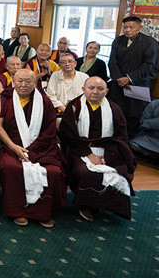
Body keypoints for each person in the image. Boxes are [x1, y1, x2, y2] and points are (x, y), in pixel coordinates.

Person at [0, 69, 65, 227]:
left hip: (42, 148)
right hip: (12, 147)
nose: (23, 85)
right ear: (13, 81)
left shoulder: (45, 101)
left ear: (35, 83)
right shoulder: (3, 98)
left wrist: (31, 151)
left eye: (28, 81)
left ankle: (42, 212)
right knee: (10, 167)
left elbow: (49, 131)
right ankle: (18, 211)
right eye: (20, 81)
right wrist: (14, 147)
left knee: (53, 171)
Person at [58, 77, 136, 221]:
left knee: (119, 171)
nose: (95, 92)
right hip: (80, 149)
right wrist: (88, 154)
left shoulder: (114, 109)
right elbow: (68, 135)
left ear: (106, 91)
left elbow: (121, 136)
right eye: (91, 88)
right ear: (83, 89)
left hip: (109, 150)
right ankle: (87, 205)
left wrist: (109, 155)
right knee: (84, 171)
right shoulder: (74, 107)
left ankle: (112, 205)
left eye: (100, 89)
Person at [108, 16, 159, 139]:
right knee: (115, 110)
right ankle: (113, 136)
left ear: (139, 28)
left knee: (135, 114)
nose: (127, 30)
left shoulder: (149, 42)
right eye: (125, 27)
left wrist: (129, 78)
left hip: (138, 82)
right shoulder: (118, 41)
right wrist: (119, 78)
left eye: (131, 27)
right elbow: (112, 62)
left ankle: (130, 140)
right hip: (118, 82)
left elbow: (149, 65)